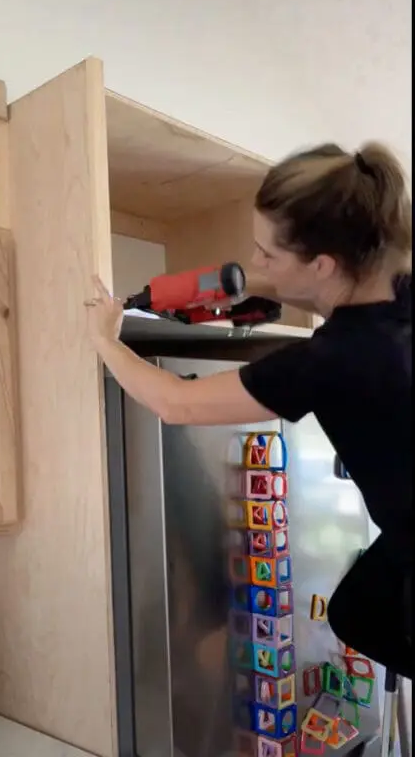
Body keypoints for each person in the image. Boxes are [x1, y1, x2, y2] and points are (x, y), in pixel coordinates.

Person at [85, 141, 412, 679]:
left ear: (323, 264)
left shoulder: (330, 361)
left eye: (268, 254)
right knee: (357, 610)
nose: (255, 262)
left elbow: (175, 402)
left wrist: (105, 340)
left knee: (364, 614)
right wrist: (236, 285)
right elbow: (331, 296)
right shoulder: (397, 290)